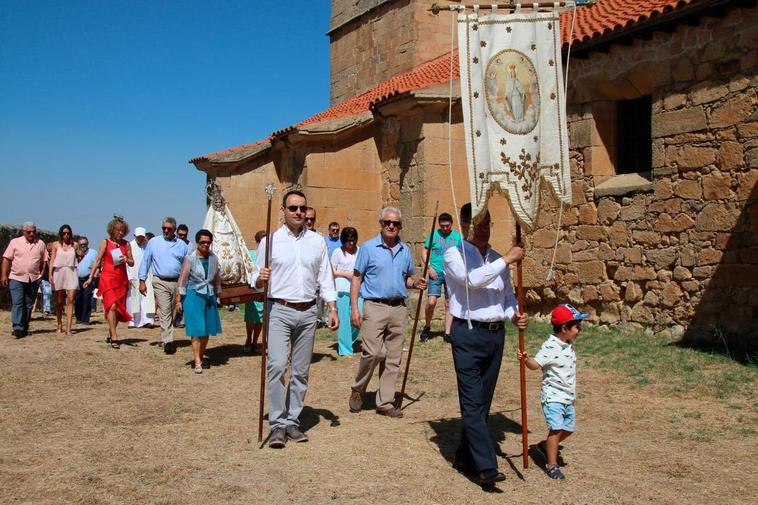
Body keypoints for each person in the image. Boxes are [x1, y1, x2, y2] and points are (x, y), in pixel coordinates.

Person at [443, 203, 528, 486]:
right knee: (471, 399)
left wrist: (513, 314)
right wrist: (508, 258)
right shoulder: (454, 254)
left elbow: (506, 297)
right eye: (477, 222)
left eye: (487, 222)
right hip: (466, 333)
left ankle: (465, 456)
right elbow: (471, 282)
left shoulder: (494, 257)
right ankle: (486, 465)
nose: (483, 228)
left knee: (482, 401)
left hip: (495, 335)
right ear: (464, 224)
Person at [253, 190, 338, 448]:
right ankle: (277, 424)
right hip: (279, 309)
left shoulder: (317, 242)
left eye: (302, 208)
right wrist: (261, 278)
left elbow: (325, 276)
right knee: (277, 366)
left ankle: (292, 420)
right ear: (283, 210)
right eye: (293, 208)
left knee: (301, 371)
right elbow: (255, 280)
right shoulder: (269, 241)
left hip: (309, 311)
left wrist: (332, 307)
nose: (298, 212)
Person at [348, 207, 427, 418]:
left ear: (400, 226)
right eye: (387, 222)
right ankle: (358, 389)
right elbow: (357, 278)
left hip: (398, 308)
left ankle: (385, 401)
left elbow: (406, 278)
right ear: (381, 223)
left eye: (396, 223)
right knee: (373, 353)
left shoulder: (405, 250)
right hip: (374, 306)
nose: (391, 226)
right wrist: (354, 308)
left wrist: (415, 283)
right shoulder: (367, 248)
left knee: (393, 358)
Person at [518, 304, 588, 481]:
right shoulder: (550, 346)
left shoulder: (568, 343)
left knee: (569, 429)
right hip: (553, 397)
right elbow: (536, 364)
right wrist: (526, 360)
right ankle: (551, 464)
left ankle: (544, 445)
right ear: (564, 328)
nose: (579, 330)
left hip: (567, 396)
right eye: (576, 326)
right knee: (556, 430)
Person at [139, 217, 188, 354]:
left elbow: (186, 265)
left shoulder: (182, 245)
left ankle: (164, 336)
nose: (166, 231)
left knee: (173, 312)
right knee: (165, 310)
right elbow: (145, 261)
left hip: (177, 282)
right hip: (160, 281)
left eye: (169, 229)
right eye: (164, 228)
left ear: (174, 230)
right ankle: (169, 342)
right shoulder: (154, 243)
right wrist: (142, 280)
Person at [176, 229, 222, 374]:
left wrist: (218, 294)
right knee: (197, 328)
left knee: (207, 328)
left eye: (208, 242)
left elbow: (216, 277)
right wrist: (178, 300)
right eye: (203, 242)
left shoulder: (214, 258)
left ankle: (200, 356)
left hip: (209, 294)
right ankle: (197, 361)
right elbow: (182, 280)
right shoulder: (190, 258)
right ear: (197, 243)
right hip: (193, 294)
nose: (205, 245)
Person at [85, 217, 134, 348]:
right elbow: (97, 260)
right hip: (108, 278)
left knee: (117, 309)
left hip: (121, 279)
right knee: (111, 306)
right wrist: (91, 277)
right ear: (112, 230)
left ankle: (111, 331)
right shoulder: (105, 242)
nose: (121, 233)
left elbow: (132, 262)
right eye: (118, 230)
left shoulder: (126, 244)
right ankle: (114, 337)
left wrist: (126, 259)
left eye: (123, 231)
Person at [1, 222, 48, 338]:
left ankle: (24, 326)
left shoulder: (40, 243)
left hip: (33, 278)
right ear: (23, 232)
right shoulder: (15, 243)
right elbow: (6, 259)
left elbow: (44, 260)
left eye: (33, 232)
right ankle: (17, 327)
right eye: (29, 232)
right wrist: (3, 275)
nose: (32, 234)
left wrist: (41, 273)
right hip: (16, 277)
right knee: (18, 302)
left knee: (28, 304)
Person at [420, 212, 461, 343]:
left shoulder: (457, 236)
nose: (445, 228)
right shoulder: (433, 235)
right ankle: (427, 326)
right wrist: (429, 267)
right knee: (431, 302)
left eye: (447, 226)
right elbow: (424, 251)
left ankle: (447, 333)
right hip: (435, 272)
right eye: (442, 226)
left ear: (451, 224)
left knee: (449, 303)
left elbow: (462, 253)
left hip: (451, 274)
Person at [330, 226, 362, 356]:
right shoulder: (338, 252)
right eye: (348, 240)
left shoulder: (361, 251)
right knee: (343, 318)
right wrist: (346, 274)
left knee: (359, 316)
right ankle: (345, 349)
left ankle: (350, 340)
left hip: (358, 288)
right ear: (344, 240)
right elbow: (332, 270)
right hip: (342, 288)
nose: (351, 242)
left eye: (353, 240)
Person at [50, 224, 79, 335]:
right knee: (59, 301)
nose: (66, 235)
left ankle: (68, 328)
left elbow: (79, 255)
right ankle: (59, 324)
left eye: (68, 233)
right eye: (64, 233)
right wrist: (50, 274)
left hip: (71, 271)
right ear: (61, 234)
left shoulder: (75, 245)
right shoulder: (56, 245)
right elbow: (52, 260)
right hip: (59, 271)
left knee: (70, 299)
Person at [127, 227, 155, 328]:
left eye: (142, 237)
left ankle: (148, 320)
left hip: (147, 275)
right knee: (134, 299)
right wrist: (129, 276)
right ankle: (134, 321)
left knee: (147, 297)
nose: (140, 239)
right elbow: (127, 262)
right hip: (134, 275)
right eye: (138, 237)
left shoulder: (149, 245)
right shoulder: (130, 245)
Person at [243, 230, 266, 353]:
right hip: (252, 289)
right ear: (258, 241)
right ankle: (248, 339)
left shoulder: (268, 254)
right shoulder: (250, 254)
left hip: (264, 291)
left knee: (261, 318)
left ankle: (255, 341)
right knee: (251, 317)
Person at [75, 236, 98, 325]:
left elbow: (97, 265)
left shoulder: (93, 253)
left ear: (88, 244)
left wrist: (93, 277)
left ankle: (85, 319)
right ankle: (78, 317)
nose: (83, 246)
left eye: (85, 244)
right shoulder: (75, 253)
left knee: (86, 298)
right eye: (81, 244)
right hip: (77, 279)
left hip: (88, 278)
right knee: (78, 299)